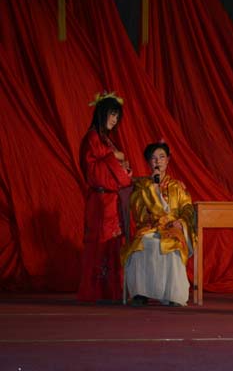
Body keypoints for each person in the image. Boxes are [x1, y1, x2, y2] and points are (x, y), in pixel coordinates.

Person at [121, 141, 195, 307]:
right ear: (149, 162)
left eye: (162, 157)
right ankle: (141, 293)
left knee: (172, 246)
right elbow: (138, 211)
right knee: (142, 244)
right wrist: (152, 189)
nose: (158, 161)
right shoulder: (142, 185)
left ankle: (172, 294)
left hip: (171, 228)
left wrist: (181, 221)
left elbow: (188, 208)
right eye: (154, 158)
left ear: (168, 160)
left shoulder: (177, 186)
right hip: (150, 227)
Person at [78, 92, 132, 303]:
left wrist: (123, 166)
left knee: (113, 244)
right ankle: (96, 291)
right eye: (111, 114)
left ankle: (111, 290)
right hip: (101, 201)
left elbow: (118, 166)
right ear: (101, 113)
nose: (114, 119)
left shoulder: (107, 140)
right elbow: (93, 172)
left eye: (117, 116)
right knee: (99, 243)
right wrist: (115, 159)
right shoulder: (92, 138)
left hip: (112, 201)